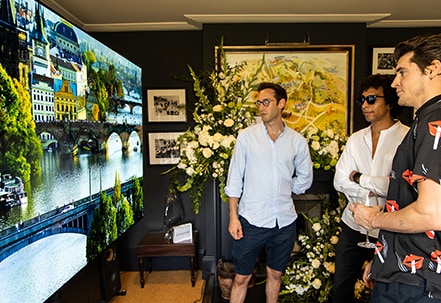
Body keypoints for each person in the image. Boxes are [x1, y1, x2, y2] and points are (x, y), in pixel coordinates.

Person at [350, 33, 441, 302]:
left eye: (402, 72)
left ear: (433, 69)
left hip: (417, 281)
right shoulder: (425, 120)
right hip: (403, 272)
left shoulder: (434, 122)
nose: (394, 82)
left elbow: (430, 214)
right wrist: (383, 258)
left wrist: (373, 220)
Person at [224, 82, 313, 303]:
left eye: (266, 102)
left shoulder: (297, 142)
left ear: (281, 104)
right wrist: (233, 217)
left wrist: (283, 188)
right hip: (251, 220)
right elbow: (234, 178)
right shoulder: (246, 137)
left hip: (284, 222)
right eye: (258, 102)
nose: (261, 107)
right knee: (242, 277)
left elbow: (305, 178)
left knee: (275, 274)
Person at [333, 74, 409, 302]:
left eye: (372, 99)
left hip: (390, 228)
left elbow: (400, 186)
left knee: (384, 290)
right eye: (362, 100)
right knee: (341, 288)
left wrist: (361, 179)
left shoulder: (406, 138)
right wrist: (373, 191)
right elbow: (340, 180)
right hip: (353, 224)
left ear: (389, 102)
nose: (365, 105)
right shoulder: (356, 139)